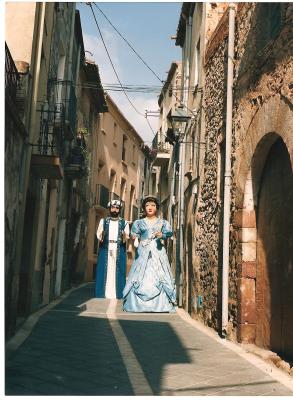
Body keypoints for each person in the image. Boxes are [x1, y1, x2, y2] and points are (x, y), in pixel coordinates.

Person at [123, 195, 176, 312]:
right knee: (140, 274)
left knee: (160, 274)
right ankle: (136, 304)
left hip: (158, 252)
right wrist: (135, 237)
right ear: (143, 208)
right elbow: (134, 234)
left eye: (152, 205)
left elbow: (170, 233)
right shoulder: (138, 223)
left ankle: (162, 304)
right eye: (147, 205)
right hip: (143, 251)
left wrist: (162, 235)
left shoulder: (163, 222)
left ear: (156, 207)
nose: (150, 207)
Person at [95, 199, 129, 299]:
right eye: (113, 208)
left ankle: (117, 294)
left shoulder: (124, 222)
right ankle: (102, 293)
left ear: (120, 210)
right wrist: (102, 234)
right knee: (104, 271)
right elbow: (99, 234)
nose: (115, 210)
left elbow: (126, 236)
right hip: (105, 249)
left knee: (118, 271)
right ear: (110, 209)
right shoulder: (103, 221)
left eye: (117, 208)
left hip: (119, 250)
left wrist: (124, 234)